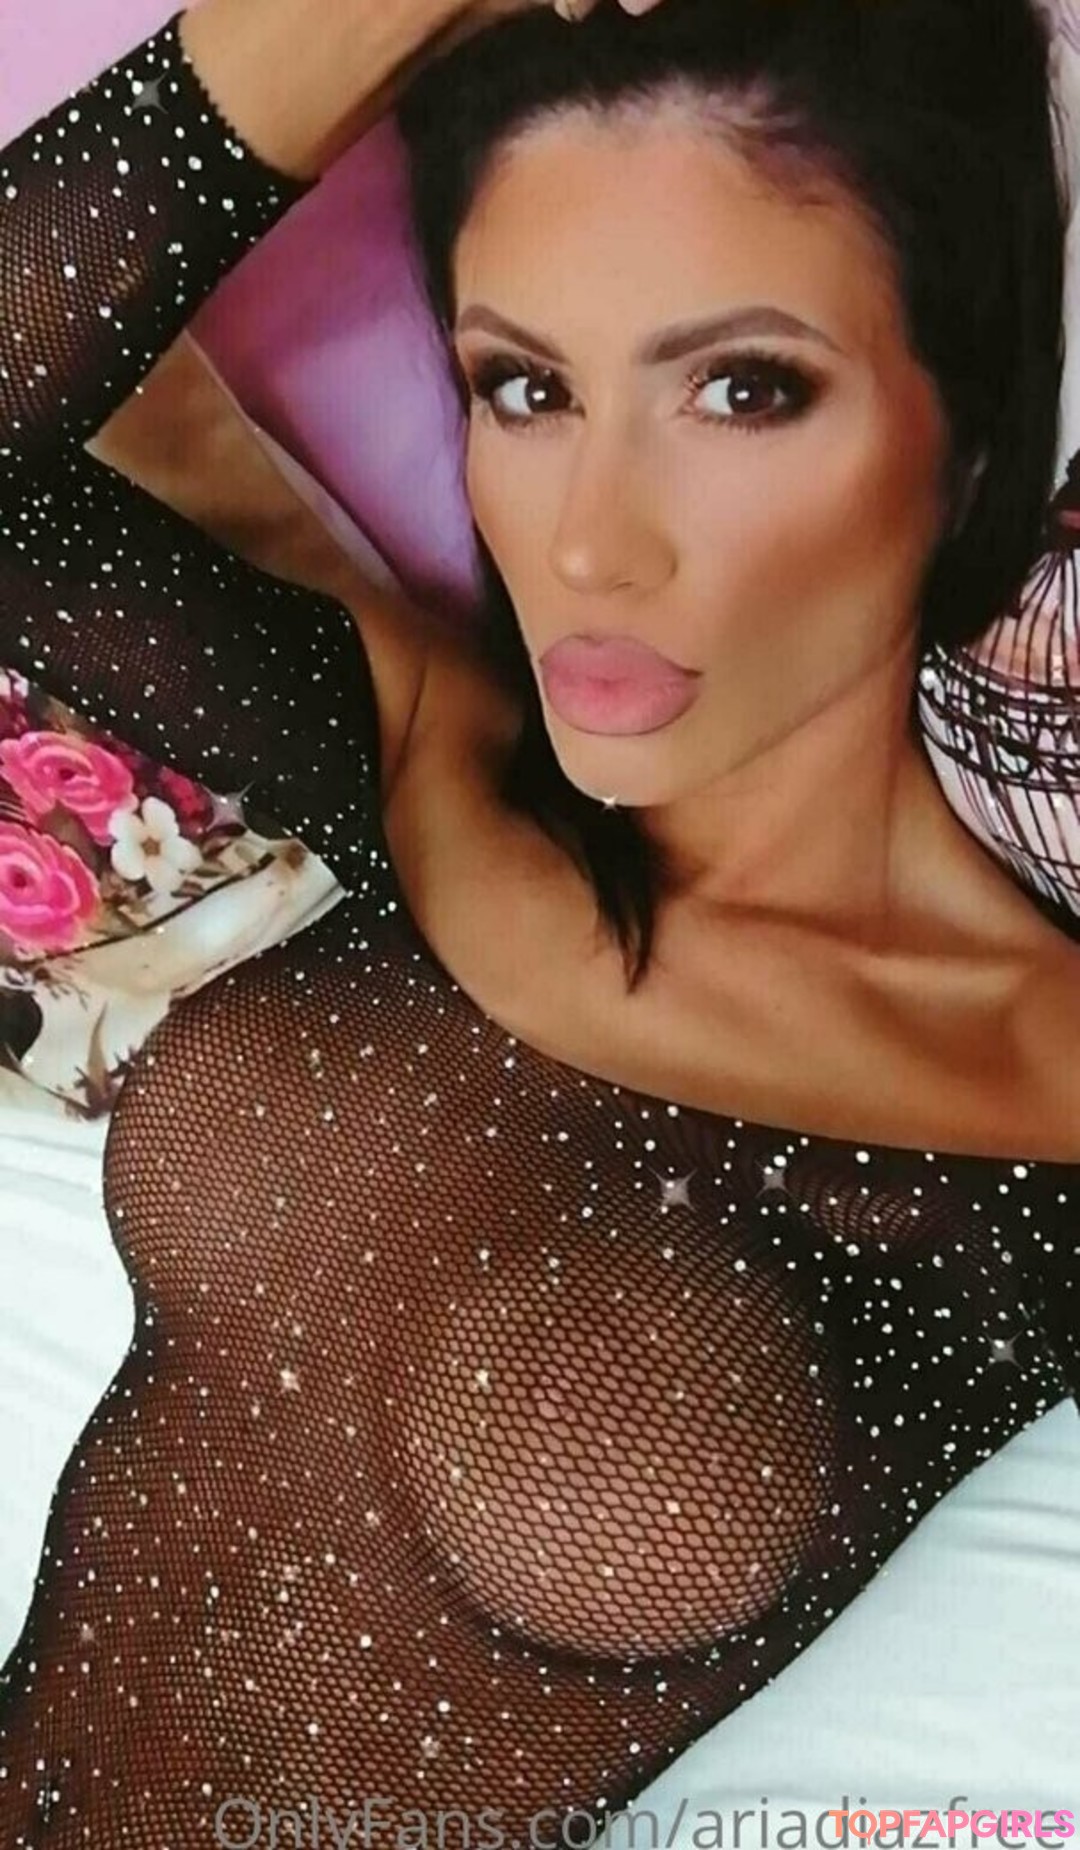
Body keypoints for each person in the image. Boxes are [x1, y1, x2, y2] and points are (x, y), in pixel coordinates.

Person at [0, 0, 1078, 1840]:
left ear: (968, 437)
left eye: (743, 390)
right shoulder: (450, 764)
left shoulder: (1038, 1103)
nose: (588, 544)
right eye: (524, 386)